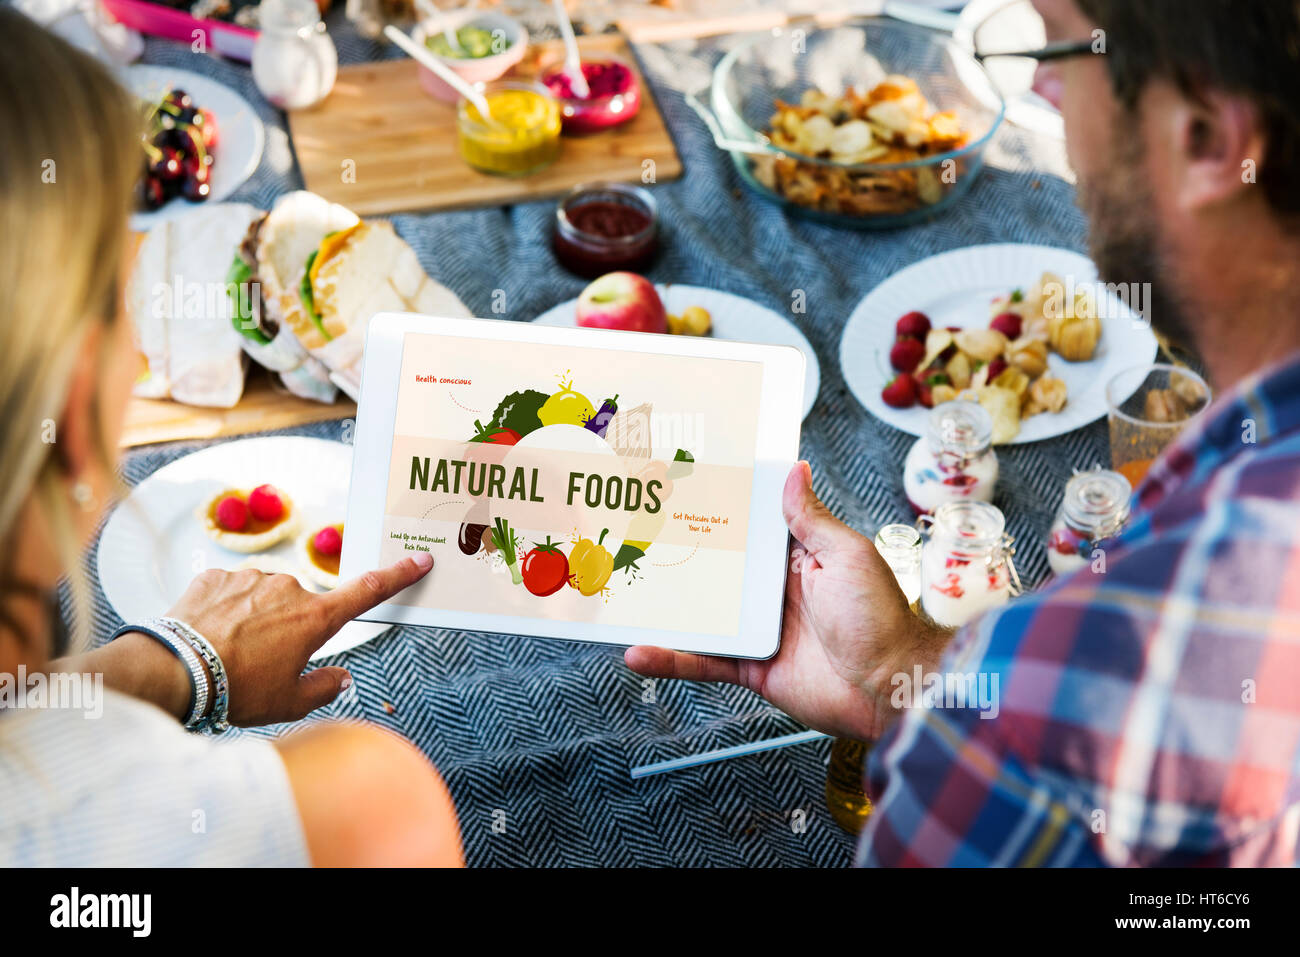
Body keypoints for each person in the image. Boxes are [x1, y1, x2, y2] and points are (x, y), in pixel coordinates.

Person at [628, 0, 1300, 866]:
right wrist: (907, 670)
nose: (1046, 96)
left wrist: (977, 719)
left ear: (1208, 139)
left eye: (1062, 51)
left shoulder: (1054, 719)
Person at [0, 9, 463, 867]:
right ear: (68, 413)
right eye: (121, 297)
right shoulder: (363, 811)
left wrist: (174, 666)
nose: (144, 345)